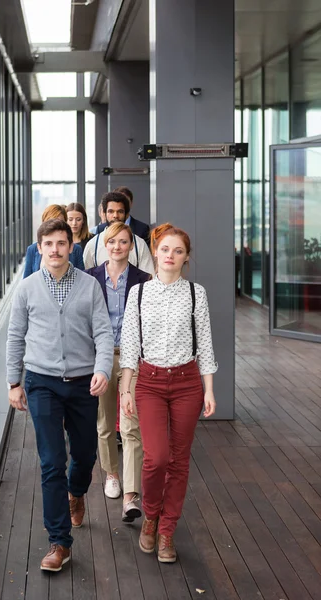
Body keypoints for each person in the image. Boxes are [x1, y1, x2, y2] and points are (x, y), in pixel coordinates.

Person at [6, 219, 114, 572]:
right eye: (48, 244)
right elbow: (15, 337)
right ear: (40, 248)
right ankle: (59, 543)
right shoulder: (27, 289)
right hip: (42, 383)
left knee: (83, 455)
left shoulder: (89, 286)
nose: (55, 249)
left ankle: (77, 490)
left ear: (71, 247)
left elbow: (103, 331)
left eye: (61, 243)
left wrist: (102, 369)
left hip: (84, 383)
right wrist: (14, 382)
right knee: (52, 462)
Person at [119, 223, 217, 563]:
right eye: (165, 250)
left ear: (186, 257)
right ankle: (150, 515)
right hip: (148, 382)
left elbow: (204, 342)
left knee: (178, 461)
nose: (170, 256)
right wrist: (126, 389)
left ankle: (166, 532)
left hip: (188, 382)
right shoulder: (139, 293)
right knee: (156, 457)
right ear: (155, 253)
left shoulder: (196, 293)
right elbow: (130, 343)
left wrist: (209, 389)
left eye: (177, 251)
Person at [85, 222, 151, 522]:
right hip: (101, 357)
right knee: (105, 421)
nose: (117, 247)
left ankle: (131, 494)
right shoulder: (90, 279)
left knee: (131, 424)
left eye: (123, 242)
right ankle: (112, 474)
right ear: (105, 245)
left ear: (131, 246)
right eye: (112, 242)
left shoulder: (143, 279)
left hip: (131, 358)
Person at [83, 192, 155, 276]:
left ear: (127, 215)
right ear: (104, 214)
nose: (115, 215)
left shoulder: (140, 244)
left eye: (120, 212)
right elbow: (87, 280)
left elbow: (149, 278)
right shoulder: (92, 245)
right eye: (111, 211)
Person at [24, 204, 84, 277]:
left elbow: (82, 279)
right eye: (50, 222)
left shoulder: (76, 250)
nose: (54, 226)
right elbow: (26, 280)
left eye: (59, 222)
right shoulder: (32, 250)